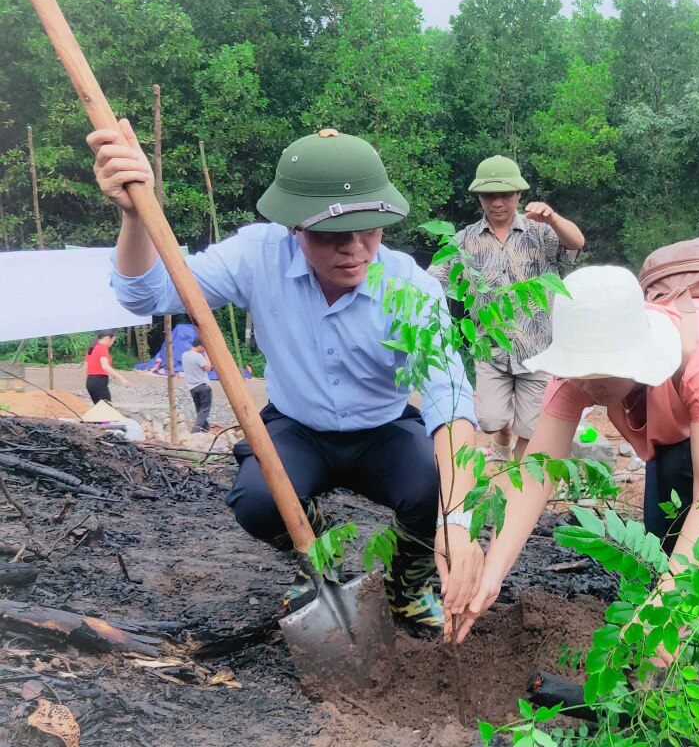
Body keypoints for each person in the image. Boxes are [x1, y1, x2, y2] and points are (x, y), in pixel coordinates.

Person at [87, 122, 482, 629]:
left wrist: (458, 523)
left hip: (382, 429)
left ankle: (407, 583)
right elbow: (146, 294)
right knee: (256, 500)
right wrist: (133, 215)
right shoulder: (258, 256)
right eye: (333, 236)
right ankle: (317, 552)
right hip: (298, 427)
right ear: (294, 228)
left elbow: (450, 396)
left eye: (370, 231)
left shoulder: (410, 286)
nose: (356, 250)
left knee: (436, 486)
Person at [456, 265, 699, 642]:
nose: (584, 384)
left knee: (685, 465)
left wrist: (671, 603)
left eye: (598, 374)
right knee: (666, 491)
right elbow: (536, 474)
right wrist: (491, 576)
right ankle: (665, 599)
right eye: (578, 372)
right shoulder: (577, 370)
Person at [430, 155, 585, 462]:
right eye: (489, 195)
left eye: (505, 194)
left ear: (518, 196)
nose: (497, 202)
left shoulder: (539, 231)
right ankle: (503, 432)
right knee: (489, 420)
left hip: (538, 348)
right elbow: (433, 278)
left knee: (532, 429)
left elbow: (576, 242)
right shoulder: (465, 241)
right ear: (479, 198)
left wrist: (553, 218)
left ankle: (514, 479)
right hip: (491, 349)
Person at [84, 330, 130, 404]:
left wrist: (89, 380)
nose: (112, 343)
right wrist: (122, 378)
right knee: (107, 407)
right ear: (108, 338)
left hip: (90, 381)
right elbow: (105, 365)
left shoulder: (91, 349)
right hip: (99, 381)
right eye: (112, 341)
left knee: (99, 408)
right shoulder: (102, 348)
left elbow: (86, 367)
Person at [181, 338, 213, 433]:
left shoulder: (184, 355)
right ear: (200, 346)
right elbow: (208, 368)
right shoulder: (198, 356)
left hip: (192, 387)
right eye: (203, 347)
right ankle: (197, 428)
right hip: (203, 385)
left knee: (199, 408)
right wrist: (207, 356)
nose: (203, 349)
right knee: (205, 408)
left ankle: (205, 428)